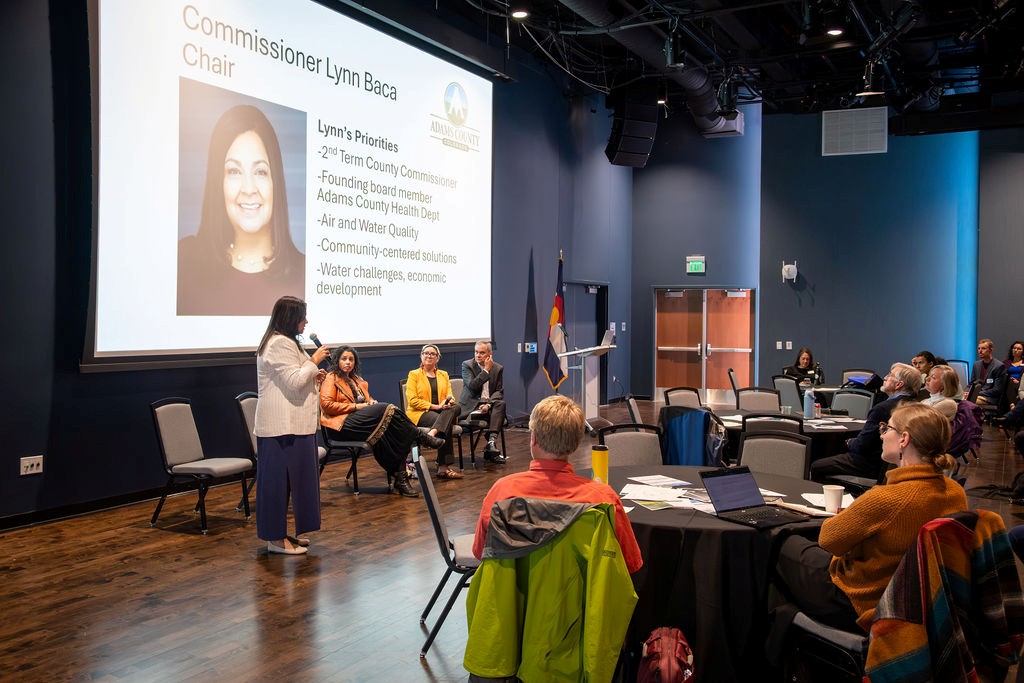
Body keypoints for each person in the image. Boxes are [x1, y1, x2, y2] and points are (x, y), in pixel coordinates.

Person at [776, 403, 967, 631]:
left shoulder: (887, 498)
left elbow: (828, 540)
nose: (883, 435)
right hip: (920, 601)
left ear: (904, 439)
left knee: (779, 543)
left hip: (862, 601)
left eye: (887, 429)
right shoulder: (955, 492)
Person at [471, 395, 643, 573]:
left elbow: (481, 552)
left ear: (534, 439)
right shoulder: (604, 499)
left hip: (517, 598)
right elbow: (629, 564)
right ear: (576, 444)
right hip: (582, 599)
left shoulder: (502, 492)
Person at [178, 104, 304, 316]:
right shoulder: (183, 260)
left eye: (260, 172)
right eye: (234, 171)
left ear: (276, 182)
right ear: (219, 182)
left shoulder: (306, 273)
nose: (248, 189)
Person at [253, 296, 329, 555]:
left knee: (293, 483)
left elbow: (298, 378)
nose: (306, 321)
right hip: (281, 427)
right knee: (276, 484)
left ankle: (285, 534)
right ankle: (274, 539)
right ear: (290, 318)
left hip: (296, 425)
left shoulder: (289, 343)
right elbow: (296, 380)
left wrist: (314, 375)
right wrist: (315, 361)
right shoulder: (277, 345)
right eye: (302, 317)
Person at [320, 346, 444, 498]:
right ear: (337, 361)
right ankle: (420, 436)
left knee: (392, 433)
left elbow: (367, 400)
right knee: (388, 408)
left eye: (351, 359)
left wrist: (371, 402)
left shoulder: (357, 380)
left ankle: (401, 478)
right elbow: (327, 405)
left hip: (362, 423)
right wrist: (358, 406)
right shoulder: (331, 377)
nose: (348, 362)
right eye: (344, 359)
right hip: (341, 426)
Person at [810, 362, 920, 482]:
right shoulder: (918, 407)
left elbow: (862, 446)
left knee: (817, 466)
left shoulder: (883, 409)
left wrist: (848, 442)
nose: (885, 378)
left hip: (870, 463)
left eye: (890, 375)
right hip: (897, 464)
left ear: (899, 384)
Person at [405, 344, 462, 480]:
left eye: (432, 354)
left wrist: (448, 402)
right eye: (426, 353)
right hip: (421, 413)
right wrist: (436, 407)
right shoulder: (414, 374)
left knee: (456, 407)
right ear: (421, 356)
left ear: (437, 358)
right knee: (445, 422)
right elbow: (412, 400)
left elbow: (450, 395)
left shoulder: (443, 375)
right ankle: (443, 467)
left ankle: (432, 434)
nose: (429, 356)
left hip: (443, 412)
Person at [457, 341, 507, 464]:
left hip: (488, 406)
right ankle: (491, 448)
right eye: (476, 352)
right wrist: (485, 370)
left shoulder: (498, 368)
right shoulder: (467, 365)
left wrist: (489, 404)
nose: (478, 355)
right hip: (471, 407)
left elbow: (499, 391)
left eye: (482, 352)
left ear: (489, 354)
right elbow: (473, 386)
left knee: (500, 404)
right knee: (497, 415)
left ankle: (491, 442)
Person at [968, 338, 1006, 406]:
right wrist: (968, 391)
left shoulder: (999, 366)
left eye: (983, 348)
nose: (980, 351)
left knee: (967, 403)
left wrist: (978, 393)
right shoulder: (976, 364)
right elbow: (972, 383)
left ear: (991, 350)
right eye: (979, 348)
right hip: (977, 395)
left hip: (989, 398)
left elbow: (997, 390)